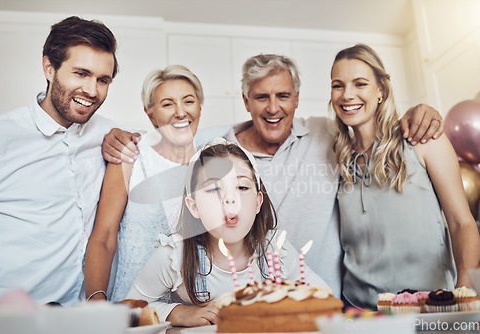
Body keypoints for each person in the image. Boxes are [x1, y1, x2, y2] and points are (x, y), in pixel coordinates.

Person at [102, 54, 444, 298]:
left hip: (324, 299)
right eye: (261, 97)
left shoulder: (325, 133)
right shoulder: (217, 145)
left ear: (297, 99)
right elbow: (174, 130)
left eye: (283, 96)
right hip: (244, 297)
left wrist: (418, 111)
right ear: (246, 101)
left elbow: (368, 120)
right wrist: (122, 135)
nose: (273, 107)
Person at [0, 16, 119, 305]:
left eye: (102, 80)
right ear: (49, 68)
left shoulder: (106, 133)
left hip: (80, 318)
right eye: (81, 73)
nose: (92, 91)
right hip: (6, 320)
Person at [330, 43, 480, 309]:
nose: (347, 95)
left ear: (381, 90)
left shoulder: (422, 140)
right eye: (338, 85)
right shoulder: (336, 157)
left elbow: (461, 223)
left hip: (430, 306)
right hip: (359, 311)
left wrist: (466, 283)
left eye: (360, 83)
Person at [126, 140, 330, 327]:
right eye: (214, 189)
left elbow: (326, 300)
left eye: (241, 187)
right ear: (194, 206)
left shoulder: (276, 252)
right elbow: (128, 310)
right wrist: (178, 313)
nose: (229, 199)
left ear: (258, 202)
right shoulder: (174, 256)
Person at [84, 65, 204, 302]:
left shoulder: (212, 164)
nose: (180, 113)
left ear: (199, 105)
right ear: (151, 114)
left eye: (188, 101)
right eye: (167, 104)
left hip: (195, 309)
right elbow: (104, 236)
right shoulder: (130, 157)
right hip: (134, 306)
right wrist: (97, 304)